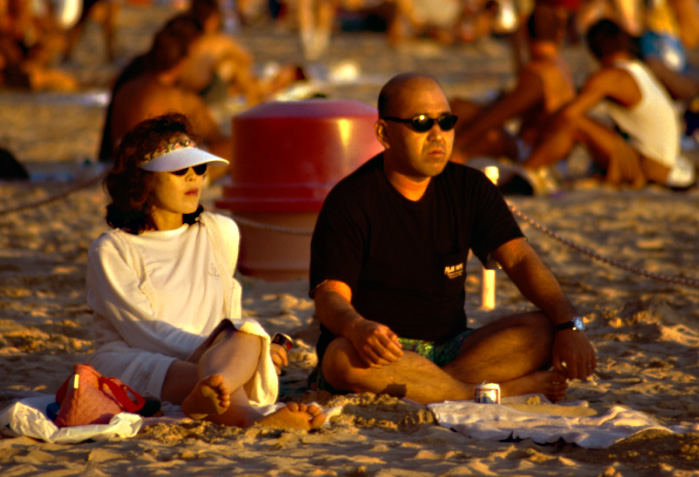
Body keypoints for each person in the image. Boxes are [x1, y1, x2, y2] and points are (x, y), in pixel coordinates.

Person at [309, 73, 596, 405]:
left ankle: (438, 388)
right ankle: (478, 393)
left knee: (544, 330)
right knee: (341, 358)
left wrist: (568, 324)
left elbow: (519, 258)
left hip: (454, 349)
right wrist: (359, 329)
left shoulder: (469, 187)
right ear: (384, 133)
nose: (437, 135)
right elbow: (330, 298)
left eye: (446, 122)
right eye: (420, 123)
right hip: (382, 351)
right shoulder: (352, 199)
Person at [86, 113, 325, 430]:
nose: (193, 179)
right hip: (140, 359)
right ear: (141, 179)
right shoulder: (112, 249)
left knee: (246, 331)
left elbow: (227, 313)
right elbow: (143, 331)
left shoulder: (220, 230)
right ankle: (248, 415)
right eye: (179, 170)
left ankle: (213, 392)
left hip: (216, 359)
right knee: (224, 366)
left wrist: (241, 351)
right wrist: (224, 354)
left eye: (198, 168)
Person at [522, 18, 695, 190]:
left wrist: (540, 128)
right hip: (663, 165)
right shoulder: (637, 69)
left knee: (575, 122)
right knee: (585, 122)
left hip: (649, 167)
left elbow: (568, 114)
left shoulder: (611, 76)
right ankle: (536, 168)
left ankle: (526, 170)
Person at [104, 14, 232, 179]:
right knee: (235, 145)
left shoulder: (126, 88)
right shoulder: (178, 97)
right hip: (155, 174)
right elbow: (214, 136)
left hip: (121, 166)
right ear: (181, 63)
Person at [450, 4, 575, 164]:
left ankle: (452, 160)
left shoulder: (540, 74)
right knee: (461, 108)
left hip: (537, 154)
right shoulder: (558, 65)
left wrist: (461, 142)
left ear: (526, 34)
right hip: (546, 151)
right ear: (560, 34)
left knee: (489, 135)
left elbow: (500, 115)